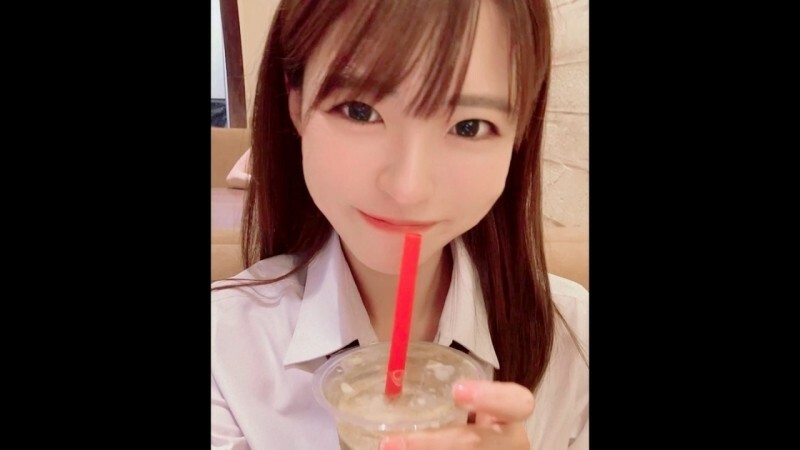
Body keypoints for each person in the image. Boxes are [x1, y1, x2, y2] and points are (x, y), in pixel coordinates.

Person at [211, 0, 588, 448]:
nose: (408, 189)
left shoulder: (576, 342)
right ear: (296, 102)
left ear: (519, 132)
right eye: (358, 111)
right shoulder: (225, 349)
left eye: (469, 126)